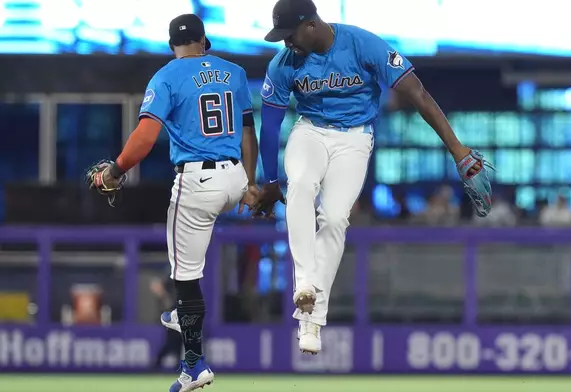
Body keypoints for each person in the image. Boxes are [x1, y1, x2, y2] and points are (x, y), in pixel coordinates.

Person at [252, 0, 493, 354]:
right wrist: (271, 181)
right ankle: (304, 282)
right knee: (301, 185)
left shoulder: (363, 45)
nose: (286, 43)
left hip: (354, 138)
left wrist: (456, 148)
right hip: (310, 132)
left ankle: (312, 320)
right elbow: (270, 126)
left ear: (311, 25)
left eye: (290, 35)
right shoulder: (283, 63)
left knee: (334, 218)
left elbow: (417, 94)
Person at [91, 13, 258, 391]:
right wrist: (249, 182)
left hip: (198, 181)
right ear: (206, 42)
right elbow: (248, 131)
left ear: (172, 46)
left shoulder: (166, 75)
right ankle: (189, 362)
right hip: (234, 176)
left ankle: (192, 347)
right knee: (187, 285)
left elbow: (145, 138)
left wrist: (114, 172)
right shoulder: (233, 71)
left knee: (185, 279)